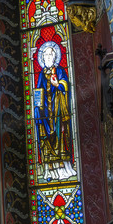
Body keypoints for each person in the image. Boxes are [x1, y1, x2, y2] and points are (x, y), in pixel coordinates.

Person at [32, 32, 74, 176]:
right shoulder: (42, 74)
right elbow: (38, 91)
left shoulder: (60, 70)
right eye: (46, 56)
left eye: (50, 55)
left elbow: (65, 84)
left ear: (55, 57)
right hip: (46, 112)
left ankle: (63, 165)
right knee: (46, 135)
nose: (48, 57)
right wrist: (38, 108)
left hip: (57, 110)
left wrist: (58, 84)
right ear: (42, 58)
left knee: (60, 133)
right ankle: (49, 166)